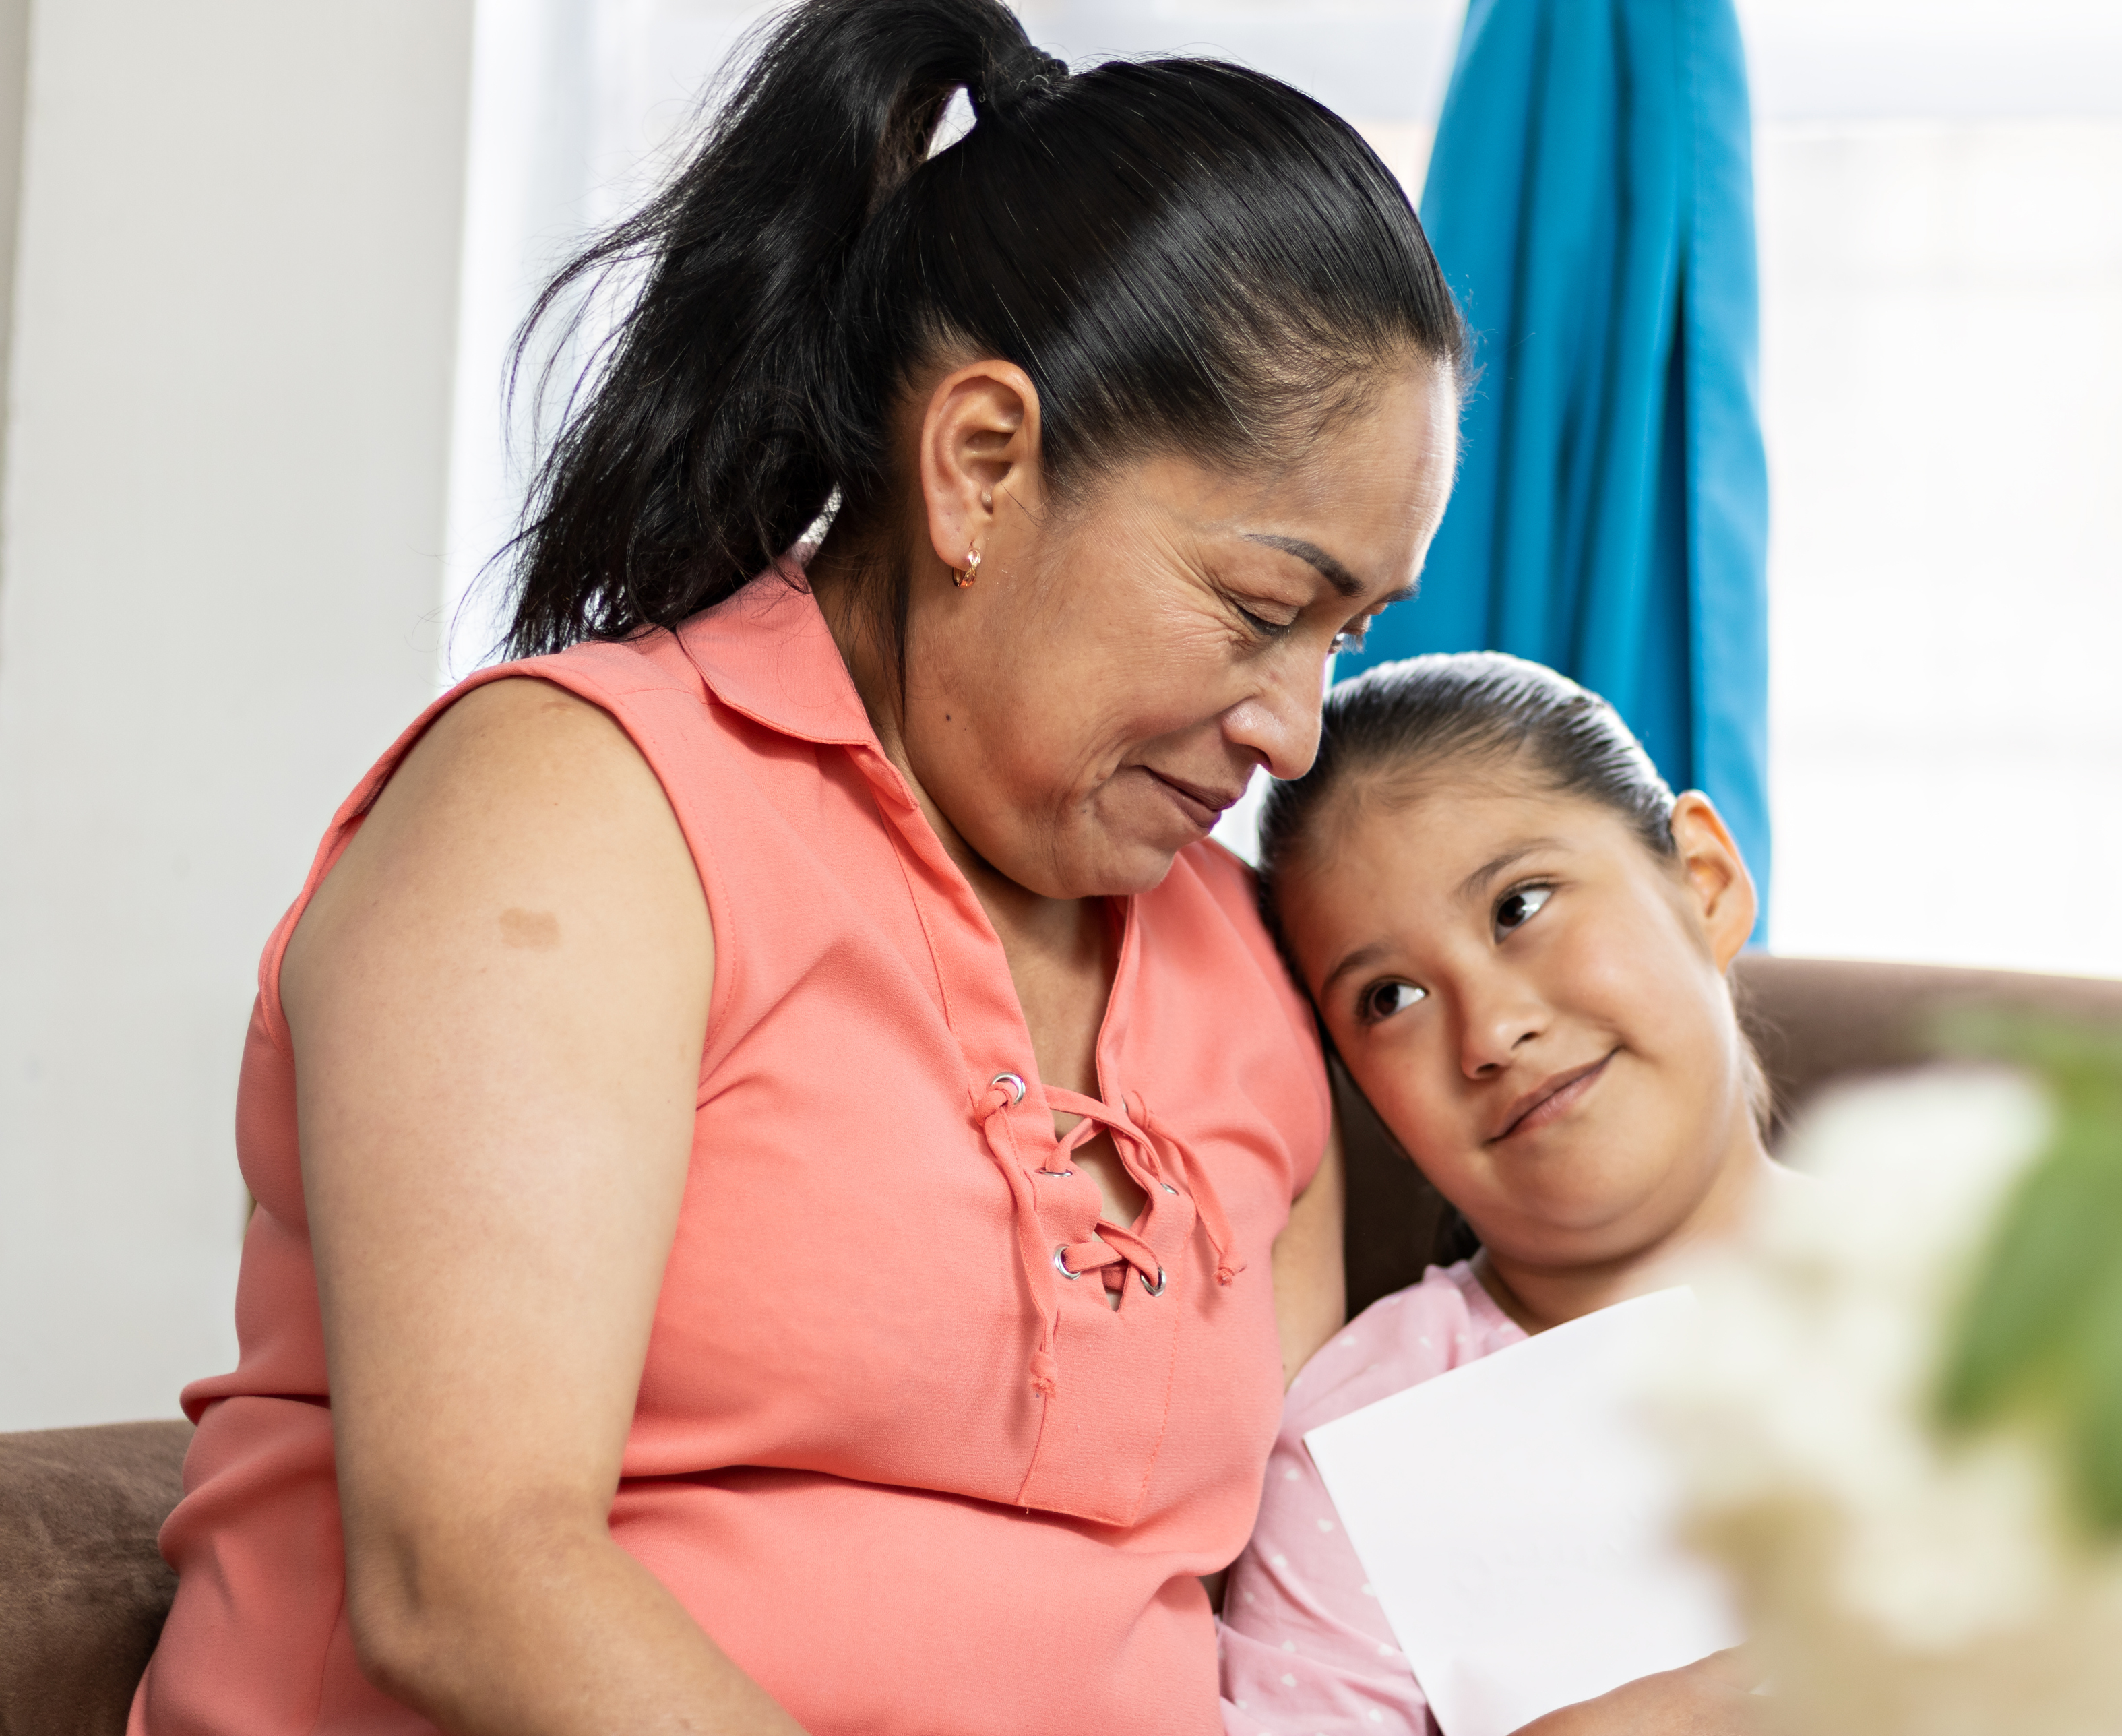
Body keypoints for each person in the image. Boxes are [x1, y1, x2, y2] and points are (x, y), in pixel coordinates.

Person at [131, 4, 1462, 1733]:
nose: (1297, 728)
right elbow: (468, 1580)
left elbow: (1280, 1617)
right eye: (1264, 610)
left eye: (1347, 633)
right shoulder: (583, 810)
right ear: (983, 463)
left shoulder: (1235, 965)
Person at [1216, 652, 2122, 1736]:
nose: (1492, 1032)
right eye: (1389, 997)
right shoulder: (1358, 1440)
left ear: (1705, 883)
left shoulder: (1986, 1281)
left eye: (1520, 905)